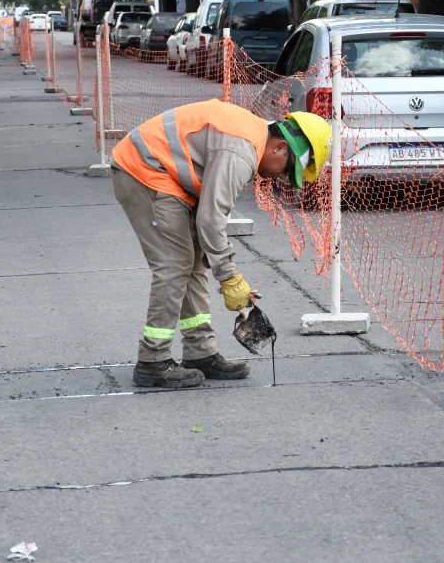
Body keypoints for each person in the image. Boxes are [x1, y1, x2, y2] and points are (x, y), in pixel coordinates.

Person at [111, 100, 332, 389]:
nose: (284, 179)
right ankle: (152, 361)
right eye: (289, 170)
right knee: (174, 265)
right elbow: (211, 221)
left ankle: (200, 353)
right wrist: (230, 278)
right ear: (279, 147)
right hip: (144, 171)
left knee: (190, 262)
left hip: (166, 175)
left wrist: (223, 269)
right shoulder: (240, 152)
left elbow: (208, 223)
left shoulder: (248, 140)